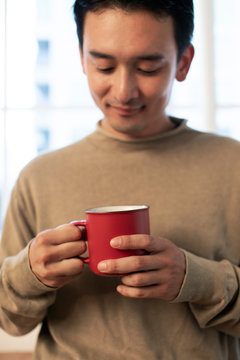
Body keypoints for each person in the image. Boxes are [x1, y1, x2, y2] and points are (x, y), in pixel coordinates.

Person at [1, 0, 240, 359]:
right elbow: (10, 321)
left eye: (147, 67)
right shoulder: (39, 176)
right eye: (104, 65)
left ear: (183, 63)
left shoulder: (232, 165)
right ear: (82, 58)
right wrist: (29, 273)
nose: (124, 90)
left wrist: (197, 279)